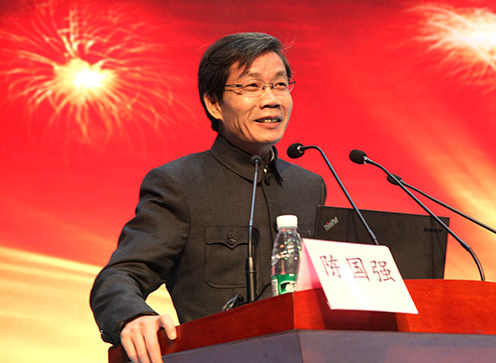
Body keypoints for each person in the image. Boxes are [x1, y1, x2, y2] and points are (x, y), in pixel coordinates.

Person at [90, 32, 326, 363]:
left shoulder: (310, 186)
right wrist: (132, 316)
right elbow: (120, 276)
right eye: (252, 86)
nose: (271, 99)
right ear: (214, 103)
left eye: (280, 85)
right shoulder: (179, 184)